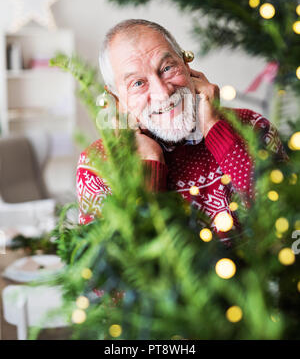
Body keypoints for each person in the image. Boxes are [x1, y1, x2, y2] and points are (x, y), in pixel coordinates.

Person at [76, 19, 287, 240]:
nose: (163, 92)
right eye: (138, 83)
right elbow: (126, 266)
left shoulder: (252, 127)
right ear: (116, 99)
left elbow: (284, 223)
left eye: (167, 68)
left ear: (187, 66)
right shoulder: (97, 166)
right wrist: (149, 162)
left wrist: (215, 128)